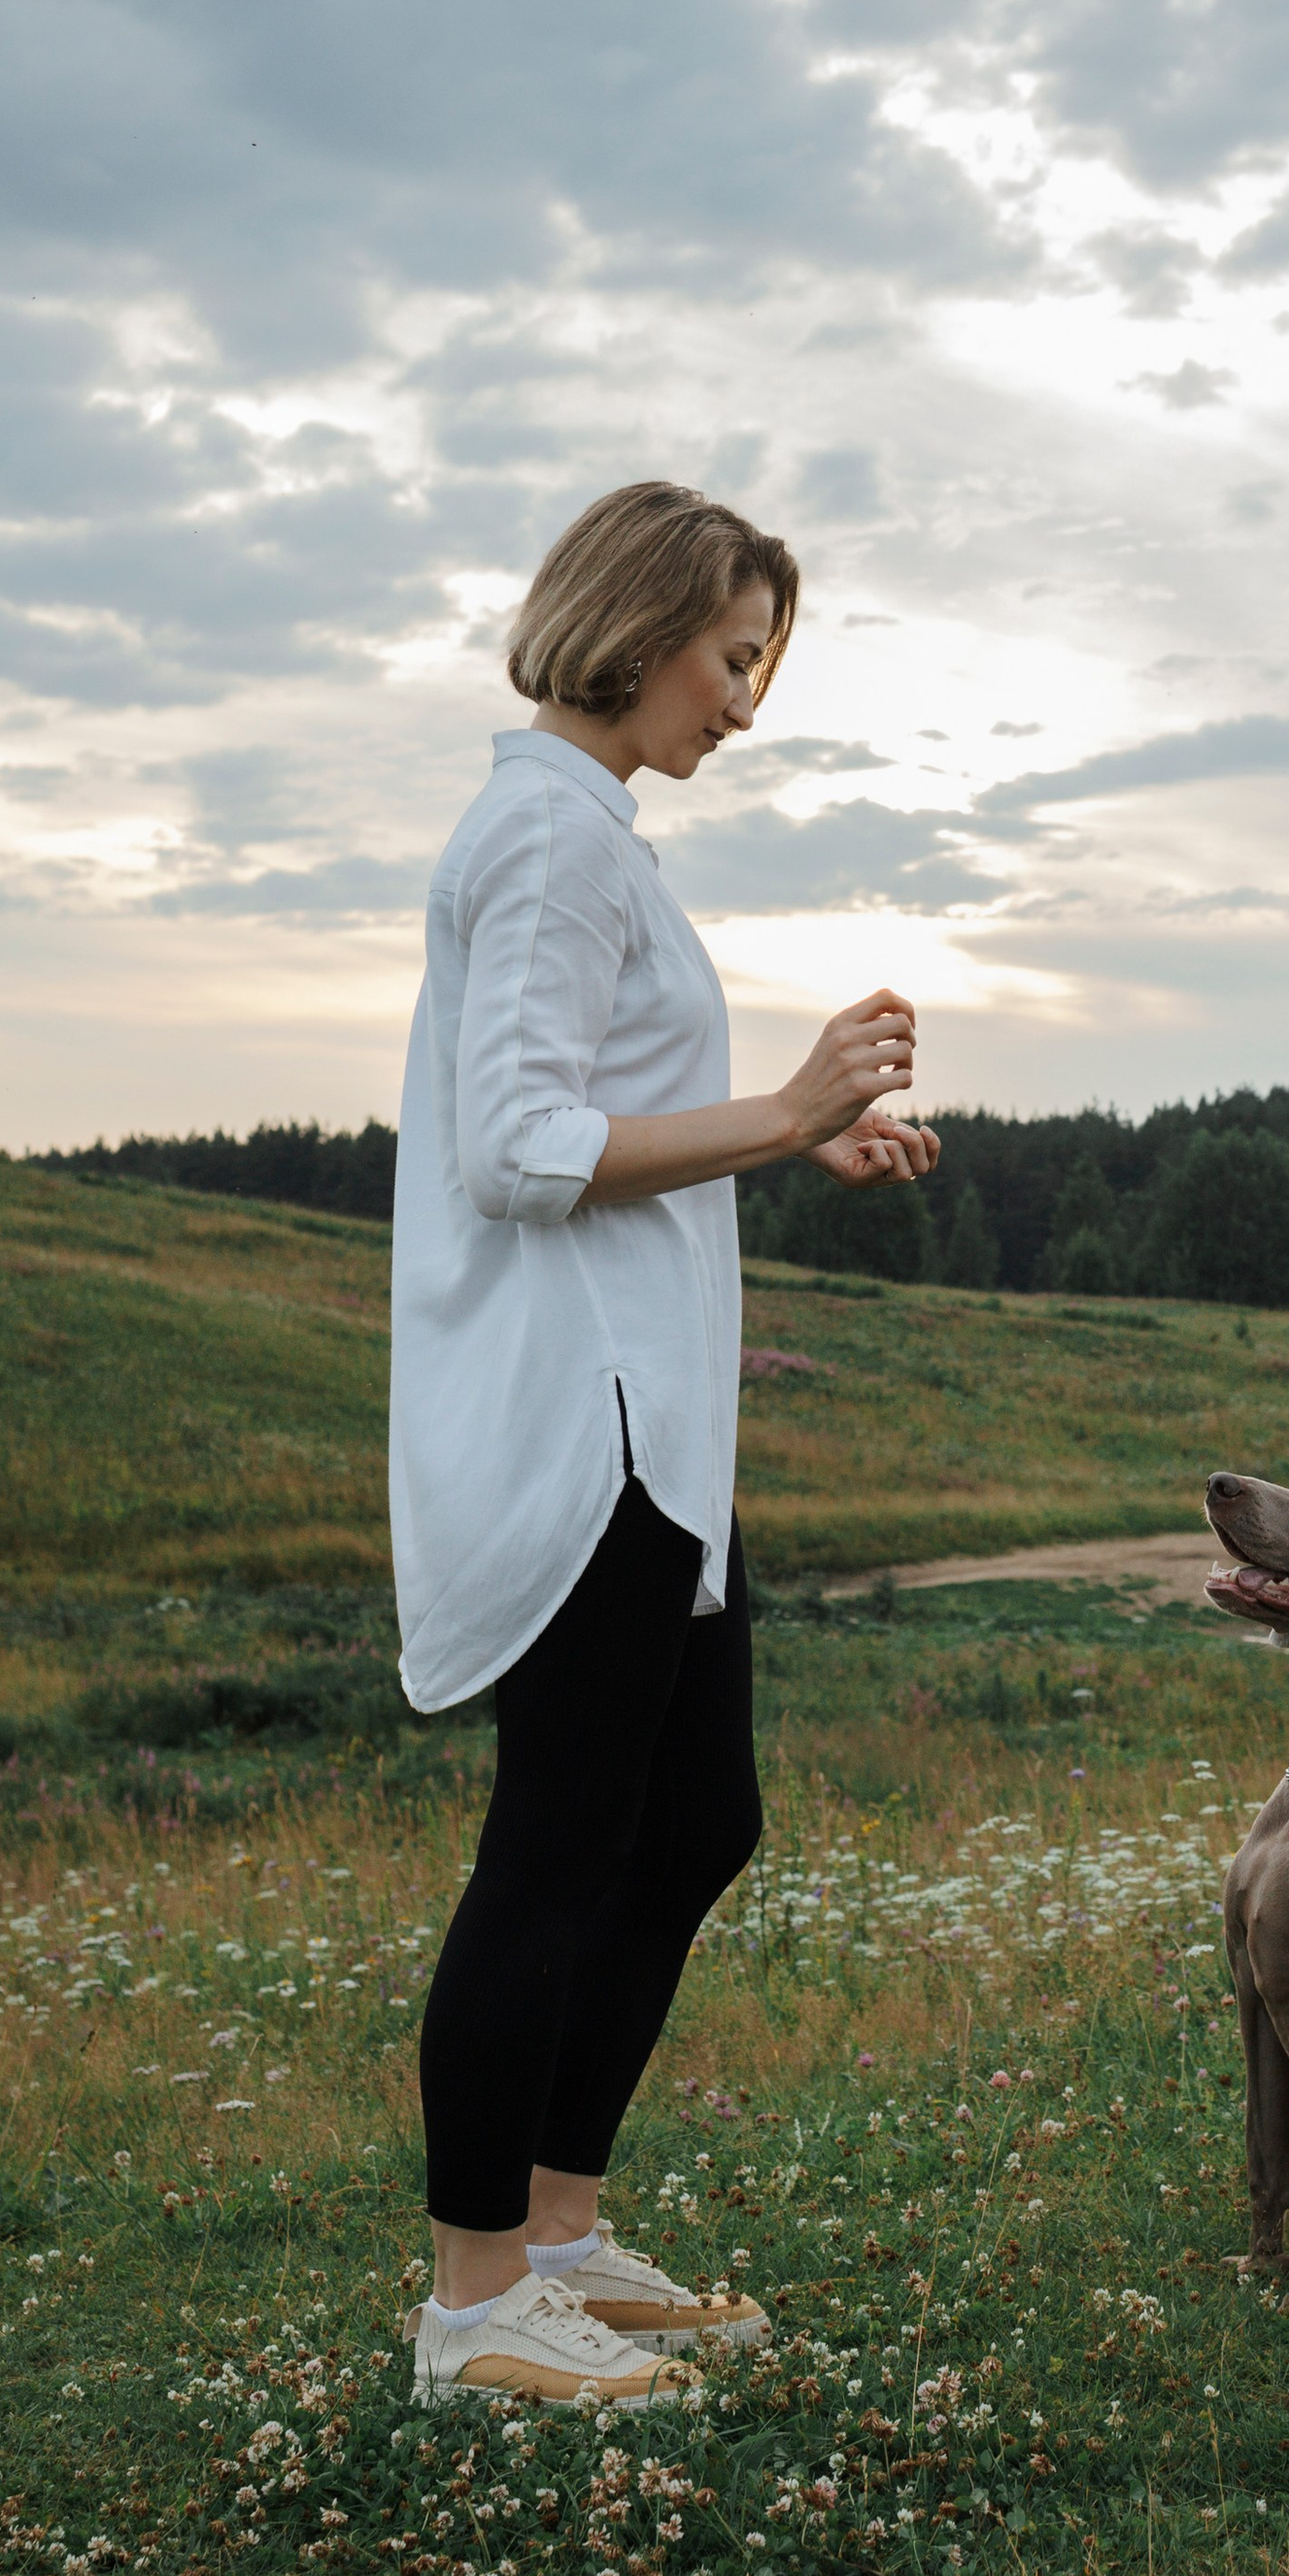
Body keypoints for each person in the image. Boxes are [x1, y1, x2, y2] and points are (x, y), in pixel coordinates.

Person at [390, 481, 939, 2404]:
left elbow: (608, 1128)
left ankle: (558, 2236)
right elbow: (520, 1155)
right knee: (559, 1846)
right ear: (631, 635)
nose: (746, 703)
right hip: (586, 1435)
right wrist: (784, 1109)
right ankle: (477, 2313)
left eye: (760, 663)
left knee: (698, 1818)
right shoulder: (546, 842)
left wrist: (794, 1137)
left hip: (655, 1437)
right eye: (732, 658)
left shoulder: (580, 834)